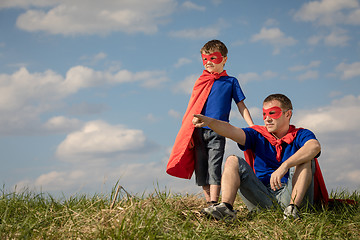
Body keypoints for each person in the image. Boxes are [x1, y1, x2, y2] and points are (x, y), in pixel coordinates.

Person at [192, 93, 327, 220]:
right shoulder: (257, 134)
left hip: (291, 194)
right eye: (264, 114)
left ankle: (293, 210)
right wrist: (210, 122)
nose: (267, 118)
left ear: (288, 114)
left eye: (272, 113)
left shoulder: (301, 134)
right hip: (262, 197)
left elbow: (314, 147)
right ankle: (226, 208)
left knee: (305, 159)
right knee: (232, 160)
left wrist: (285, 166)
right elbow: (231, 131)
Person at [166, 40, 254, 207]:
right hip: (198, 130)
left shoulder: (231, 82)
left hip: (218, 130)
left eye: (213, 58)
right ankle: (208, 203)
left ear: (224, 59)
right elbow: (194, 105)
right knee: (201, 167)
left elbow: (241, 105)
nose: (208, 62)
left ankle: (214, 202)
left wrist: (251, 125)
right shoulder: (201, 80)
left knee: (214, 165)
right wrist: (189, 129)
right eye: (205, 59)